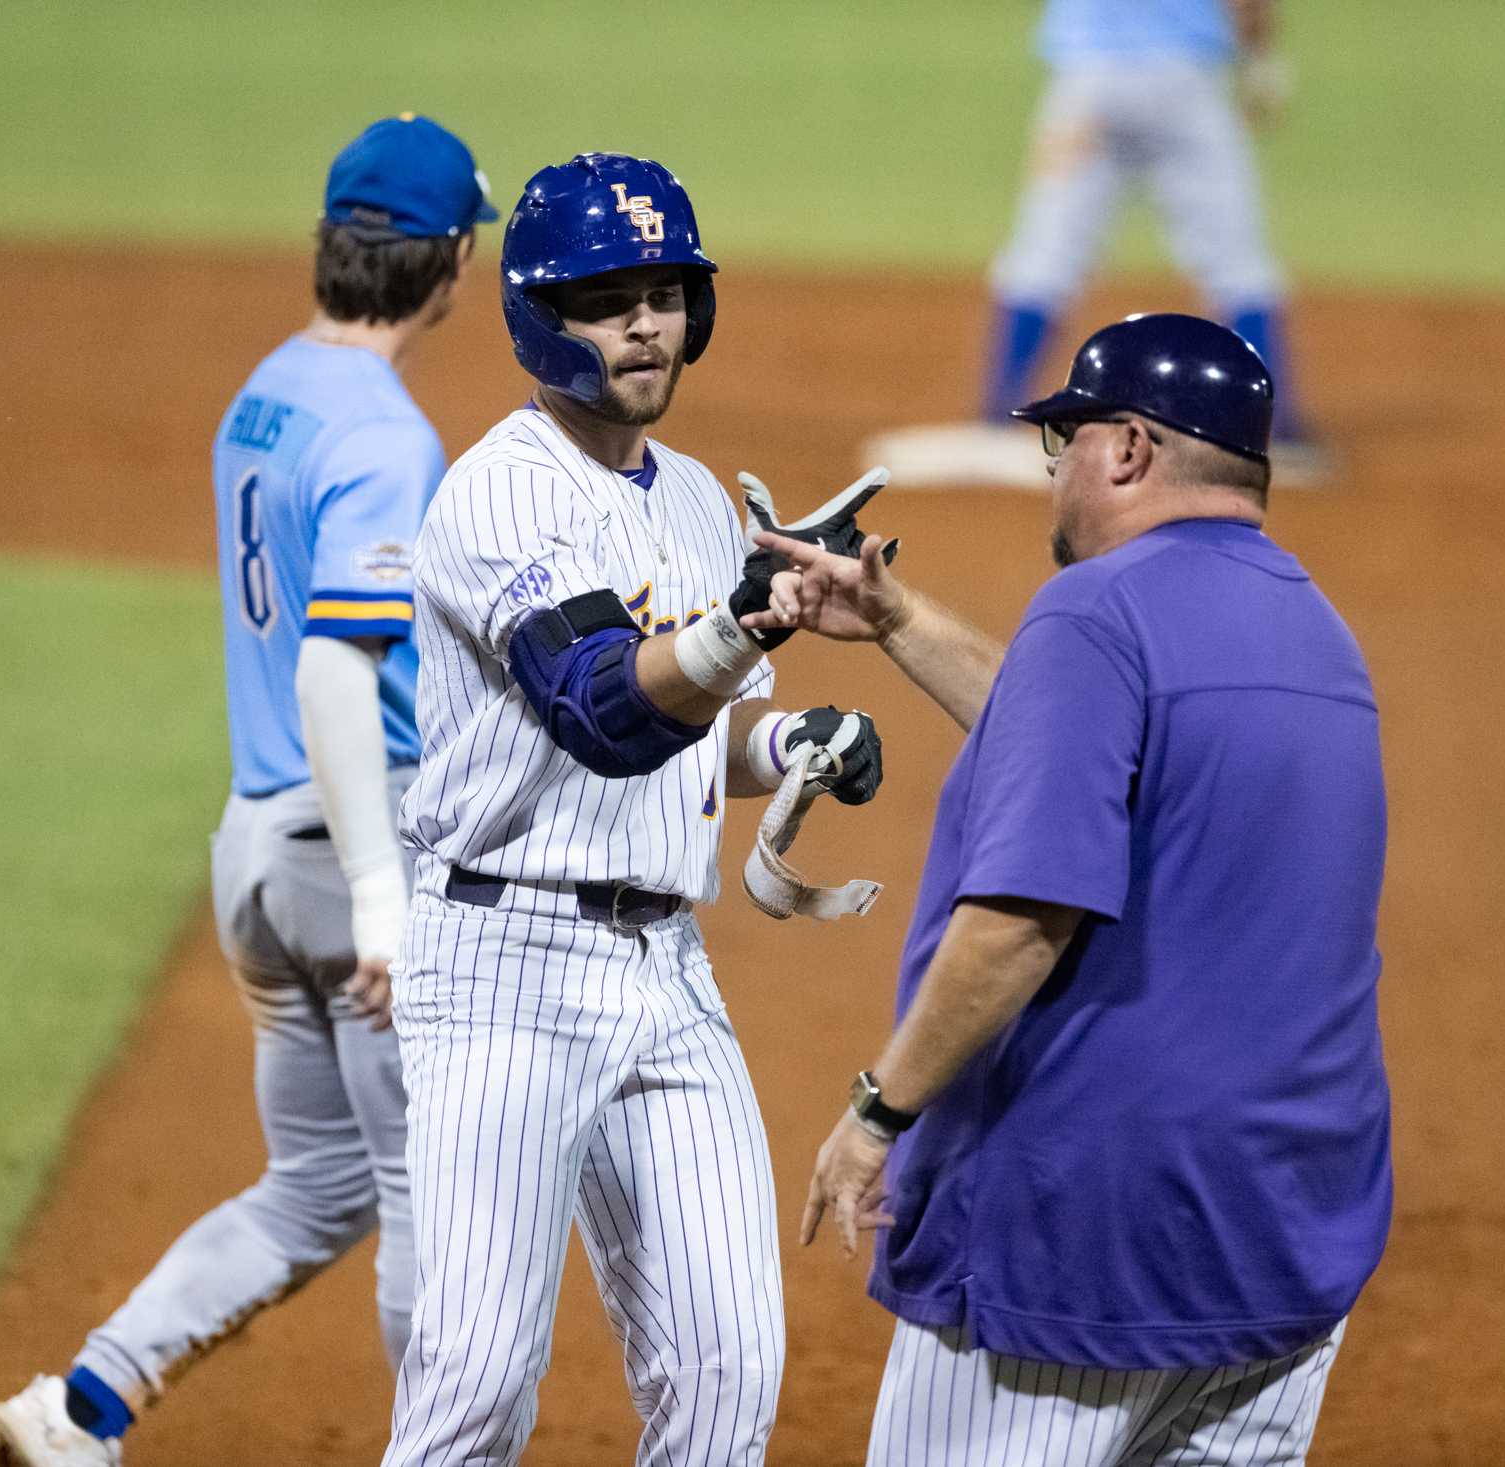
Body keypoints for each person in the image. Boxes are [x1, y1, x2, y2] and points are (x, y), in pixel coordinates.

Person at [758, 313, 1392, 1465]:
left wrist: (875, 1112)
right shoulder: (1316, 632)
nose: (1053, 478)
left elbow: (1017, 924)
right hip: (1283, 1236)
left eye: (1066, 446)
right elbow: (1089, 747)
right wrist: (898, 620)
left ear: (1130, 450)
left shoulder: (1096, 613)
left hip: (1088, 1239)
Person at [0, 113, 496, 1467]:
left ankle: (80, 1405)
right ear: (446, 264)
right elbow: (336, 665)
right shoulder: (390, 435)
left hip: (256, 852)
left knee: (316, 1184)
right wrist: (387, 899)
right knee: (428, 1197)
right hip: (350, 847)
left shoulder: (266, 391)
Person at [381, 153, 889, 1467]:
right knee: (477, 1382)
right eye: (612, 299)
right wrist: (747, 622)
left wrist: (797, 738)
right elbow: (604, 707)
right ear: (543, 313)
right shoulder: (502, 492)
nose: (649, 322)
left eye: (666, 292)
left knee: (730, 1369)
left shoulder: (704, 504)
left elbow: (689, 737)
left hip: (667, 967)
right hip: (500, 968)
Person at [867, 0, 1329, 489]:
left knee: (1044, 254)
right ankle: (1279, 430)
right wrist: (1260, 60)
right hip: (1184, 83)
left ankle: (995, 418)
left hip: (1088, 85)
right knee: (1237, 261)